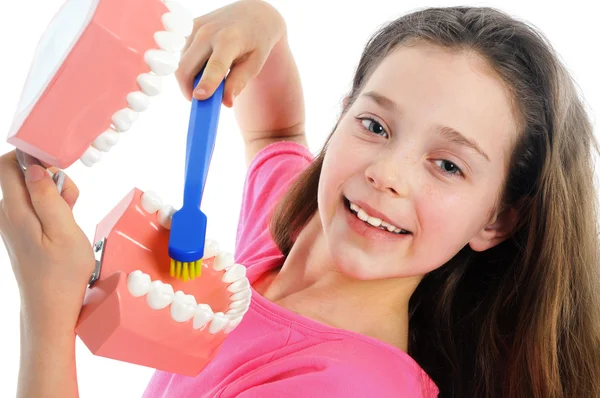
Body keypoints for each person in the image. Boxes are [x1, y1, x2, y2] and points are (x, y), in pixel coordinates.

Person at [1, 1, 599, 396]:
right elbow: (277, 131)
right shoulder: (288, 234)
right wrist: (265, 25)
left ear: (496, 221)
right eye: (376, 126)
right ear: (344, 119)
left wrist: (46, 317)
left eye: (447, 165)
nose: (387, 174)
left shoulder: (347, 387)